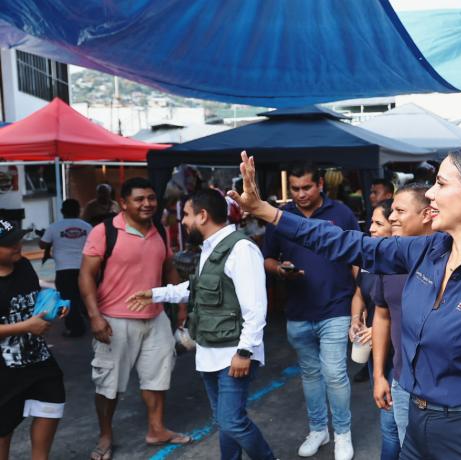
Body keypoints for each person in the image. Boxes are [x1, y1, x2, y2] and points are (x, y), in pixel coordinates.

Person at [230, 148, 461, 459]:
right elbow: (346, 243)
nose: (430, 194)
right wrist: (267, 212)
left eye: (441, 184)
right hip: (416, 424)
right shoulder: (428, 250)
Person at [127, 189, 276, 460]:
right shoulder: (210, 248)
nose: (182, 221)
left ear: (203, 215)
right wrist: (156, 294)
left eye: (186, 214)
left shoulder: (241, 249)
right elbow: (198, 288)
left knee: (232, 421)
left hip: (233, 353)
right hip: (210, 352)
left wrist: (244, 352)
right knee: (225, 422)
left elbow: (255, 307)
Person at [79, 178, 189, 460]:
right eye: (139, 199)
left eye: (151, 198)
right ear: (124, 203)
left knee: (158, 377)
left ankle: (157, 429)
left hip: (155, 318)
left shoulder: (159, 230)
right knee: (108, 384)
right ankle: (105, 436)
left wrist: (181, 306)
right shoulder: (104, 232)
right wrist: (94, 316)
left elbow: (168, 268)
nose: (147, 204)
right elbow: (86, 275)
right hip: (114, 320)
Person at [262, 163, 359, 460]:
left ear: (320, 185)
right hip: (298, 310)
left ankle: (342, 433)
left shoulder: (341, 213)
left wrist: (361, 298)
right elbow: (267, 258)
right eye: (295, 188)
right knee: (310, 374)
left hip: (336, 306)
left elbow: (358, 256)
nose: (301, 194)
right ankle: (318, 430)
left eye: (306, 187)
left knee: (335, 373)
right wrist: (280, 269)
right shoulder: (280, 217)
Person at [370, 183, 434, 455]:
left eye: (400, 211)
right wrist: (378, 376)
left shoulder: (447, 260)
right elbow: (382, 315)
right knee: (404, 447)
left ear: (427, 214)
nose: (392, 217)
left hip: (441, 390)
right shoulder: (389, 259)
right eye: (391, 211)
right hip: (401, 380)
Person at [0, 221, 67, 460]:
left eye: (18, 239)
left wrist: (55, 305)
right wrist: (26, 326)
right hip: (4, 372)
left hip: (38, 359)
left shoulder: (24, 266)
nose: (18, 245)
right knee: (3, 428)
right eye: (9, 243)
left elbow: (35, 295)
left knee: (51, 406)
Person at [349, 198, 401, 460]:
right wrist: (355, 320)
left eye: (378, 223)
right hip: (376, 352)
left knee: (392, 425)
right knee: (387, 415)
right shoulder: (369, 258)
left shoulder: (406, 263)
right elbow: (360, 292)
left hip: (399, 353)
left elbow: (397, 312)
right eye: (371, 222)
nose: (371, 229)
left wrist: (380, 329)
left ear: (395, 225)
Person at [39, 199, 92, 337]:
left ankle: (74, 328)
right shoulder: (87, 227)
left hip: (64, 270)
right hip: (84, 269)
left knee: (67, 299)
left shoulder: (54, 227)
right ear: (79, 211)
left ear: (62, 211)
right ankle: (89, 322)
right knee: (86, 297)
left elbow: (42, 244)